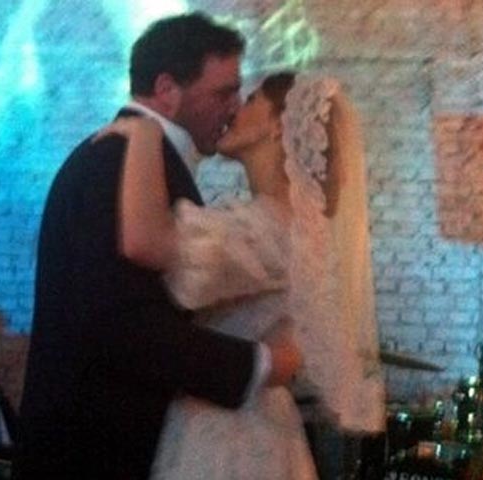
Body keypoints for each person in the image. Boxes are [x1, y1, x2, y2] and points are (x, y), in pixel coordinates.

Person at [13, 13, 302, 480]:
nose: (233, 108)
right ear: (167, 89)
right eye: (223, 93)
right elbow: (120, 325)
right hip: (97, 453)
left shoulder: (135, 156)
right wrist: (260, 364)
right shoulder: (118, 161)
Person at [98, 71, 386, 479]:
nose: (235, 109)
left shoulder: (269, 226)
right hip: (255, 422)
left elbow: (147, 243)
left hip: (229, 435)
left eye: (251, 100)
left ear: (277, 125)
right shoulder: (296, 226)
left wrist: (144, 134)